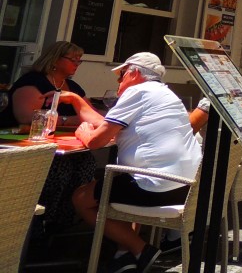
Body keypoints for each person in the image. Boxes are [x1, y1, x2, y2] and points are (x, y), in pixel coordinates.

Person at [61, 52, 202, 273]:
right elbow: (106, 123)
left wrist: (83, 133)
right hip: (184, 187)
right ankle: (124, 255)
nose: (119, 81)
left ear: (134, 73)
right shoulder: (167, 95)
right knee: (120, 184)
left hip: (154, 186)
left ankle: (141, 249)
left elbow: (97, 141)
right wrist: (78, 102)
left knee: (81, 197)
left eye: (121, 75)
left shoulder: (138, 91)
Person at [0, 41, 96, 237]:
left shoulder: (73, 87)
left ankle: (61, 222)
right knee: (60, 170)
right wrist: (72, 119)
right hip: (24, 148)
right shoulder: (33, 82)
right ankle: (38, 224)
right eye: (73, 59)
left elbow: (91, 116)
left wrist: (63, 119)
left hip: (63, 146)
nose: (77, 63)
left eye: (80, 60)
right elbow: (29, 117)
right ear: (55, 59)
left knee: (87, 163)